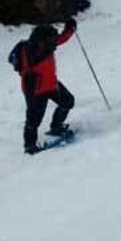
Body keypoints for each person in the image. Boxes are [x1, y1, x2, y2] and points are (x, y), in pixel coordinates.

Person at [10, 19, 78, 154]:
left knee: (68, 101)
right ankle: (29, 146)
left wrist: (69, 29)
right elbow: (28, 65)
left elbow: (61, 39)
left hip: (51, 84)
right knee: (34, 119)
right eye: (51, 38)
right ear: (41, 39)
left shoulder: (47, 44)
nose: (54, 41)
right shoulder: (29, 51)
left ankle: (56, 127)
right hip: (35, 91)